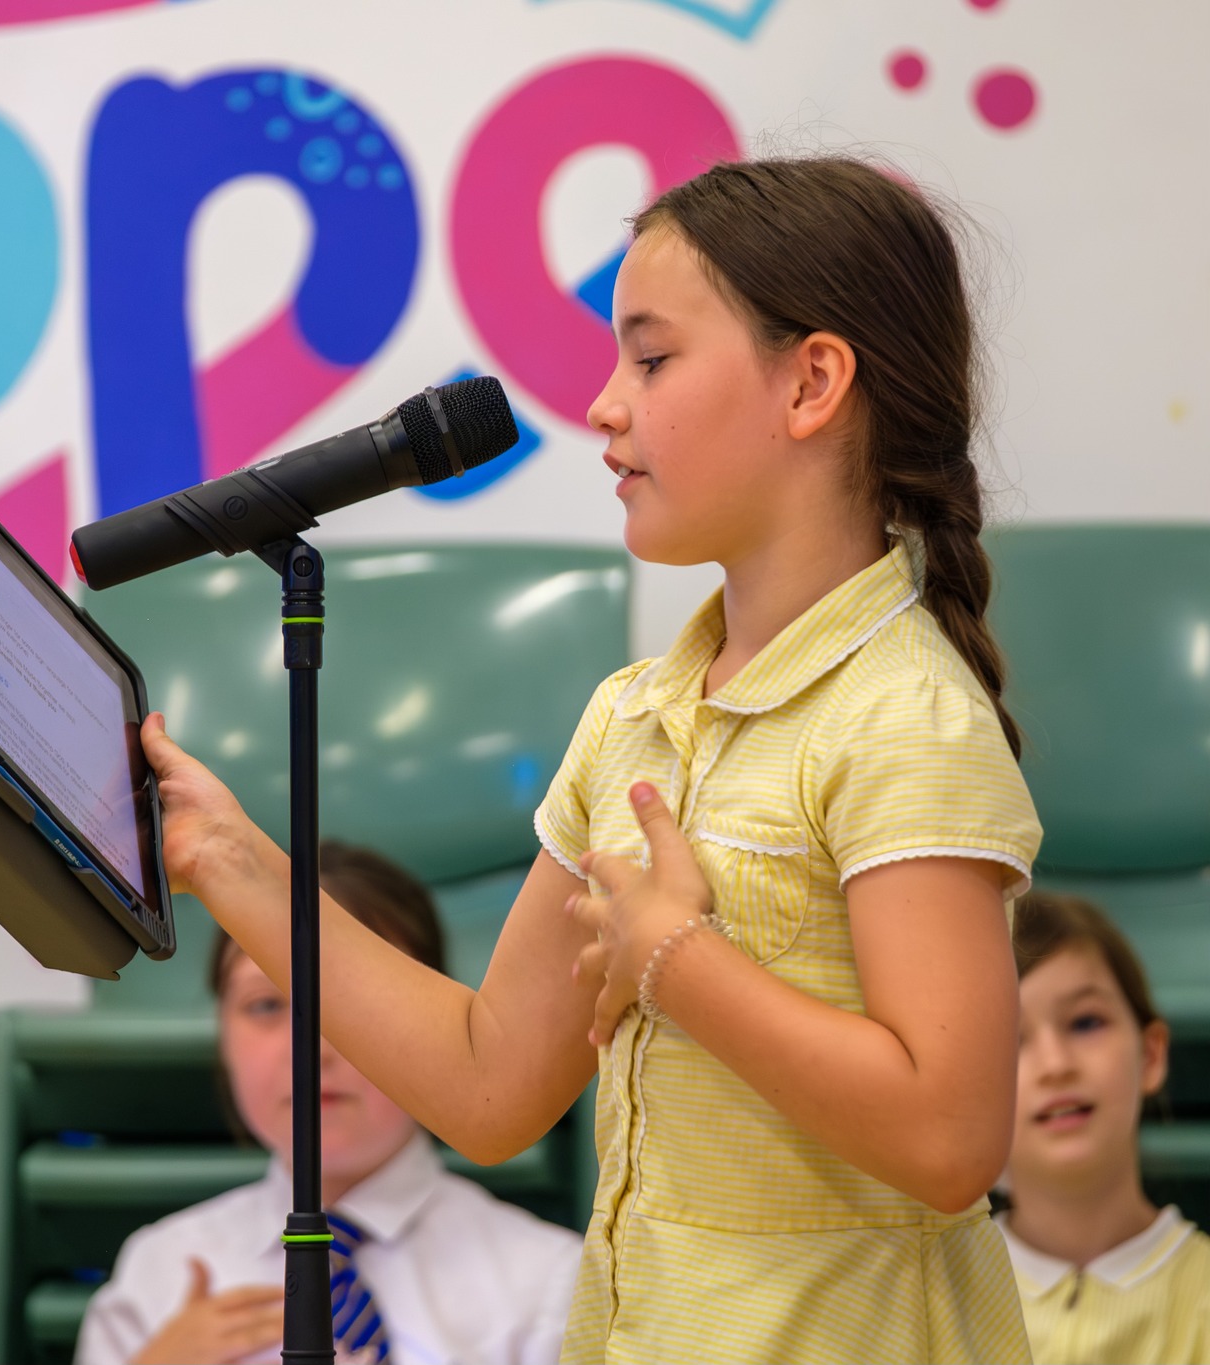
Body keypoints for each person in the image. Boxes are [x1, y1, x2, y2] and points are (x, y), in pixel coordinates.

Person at [142, 155, 1045, 1363]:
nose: (605, 405)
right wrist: (226, 858)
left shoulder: (902, 717)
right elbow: (484, 1086)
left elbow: (949, 1140)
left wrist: (676, 959)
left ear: (811, 382)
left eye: (651, 357)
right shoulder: (630, 714)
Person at [76, 842, 581, 1365]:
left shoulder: (548, 1286)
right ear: (221, 1035)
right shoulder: (157, 1273)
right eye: (266, 1004)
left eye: (357, 1007)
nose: (312, 1048)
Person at [998, 889, 1210, 1363]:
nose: (1055, 1065)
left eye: (1086, 1022)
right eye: (1010, 1039)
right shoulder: (933, 1301)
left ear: (1151, 1054)